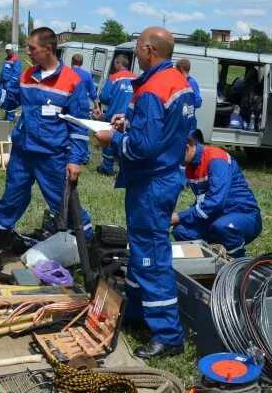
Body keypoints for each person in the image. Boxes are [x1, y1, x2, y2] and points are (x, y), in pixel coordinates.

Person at [94, 27, 194, 359]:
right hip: (163, 179)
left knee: (151, 258)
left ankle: (168, 335)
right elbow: (167, 130)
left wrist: (115, 139)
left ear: (150, 50)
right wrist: (129, 122)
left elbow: (144, 146)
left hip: (151, 184)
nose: (135, 53)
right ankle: (137, 314)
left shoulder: (153, 88)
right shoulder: (179, 83)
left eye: (137, 48)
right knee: (141, 251)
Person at [0, 27, 92, 278]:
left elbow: (78, 125)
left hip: (52, 156)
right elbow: (8, 101)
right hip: (23, 153)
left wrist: (75, 160)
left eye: (32, 48)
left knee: (63, 204)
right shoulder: (27, 75)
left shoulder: (72, 81)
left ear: (48, 49)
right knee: (11, 199)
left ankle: (88, 246)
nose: (28, 52)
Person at [171, 137, 262, 257]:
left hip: (243, 215)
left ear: (187, 147)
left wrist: (179, 216)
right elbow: (203, 202)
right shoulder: (190, 166)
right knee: (181, 231)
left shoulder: (216, 159)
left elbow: (215, 203)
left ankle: (236, 266)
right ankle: (204, 264)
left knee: (222, 226)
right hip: (215, 217)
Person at [96, 56, 136, 176]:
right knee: (126, 142)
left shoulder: (113, 78)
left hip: (114, 116)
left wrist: (115, 99)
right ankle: (123, 171)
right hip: (129, 117)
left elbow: (104, 97)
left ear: (119, 63)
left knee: (109, 143)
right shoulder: (136, 78)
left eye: (115, 64)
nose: (114, 66)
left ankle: (107, 168)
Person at [70, 54, 101, 119]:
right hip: (83, 107)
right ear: (81, 63)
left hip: (69, 105)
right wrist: (97, 107)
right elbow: (93, 93)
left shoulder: (67, 73)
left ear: (72, 61)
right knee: (81, 126)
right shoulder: (87, 75)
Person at [0, 43, 21, 121]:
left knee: (10, 100)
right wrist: (1, 81)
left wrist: (12, 84)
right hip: (4, 82)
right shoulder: (6, 59)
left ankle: (10, 118)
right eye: (7, 50)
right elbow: (3, 71)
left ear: (12, 50)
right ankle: (7, 116)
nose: (8, 52)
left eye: (9, 50)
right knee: (5, 100)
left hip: (10, 83)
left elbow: (17, 73)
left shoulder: (16, 59)